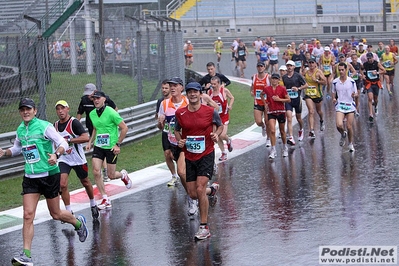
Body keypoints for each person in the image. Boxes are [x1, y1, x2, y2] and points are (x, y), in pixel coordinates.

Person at [0, 98, 88, 266]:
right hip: (30, 178)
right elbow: (18, 148)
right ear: (20, 112)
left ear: (35, 111)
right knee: (27, 215)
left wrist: (56, 155)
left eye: (28, 109)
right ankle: (26, 254)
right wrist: (5, 152)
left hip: (49, 176)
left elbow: (62, 141)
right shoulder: (20, 130)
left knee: (55, 214)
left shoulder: (44, 126)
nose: (25, 112)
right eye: (22, 110)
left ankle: (78, 223)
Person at [174, 82, 223, 240]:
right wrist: (180, 140)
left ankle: (204, 227)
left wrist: (216, 134)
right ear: (186, 95)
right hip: (190, 156)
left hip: (206, 154)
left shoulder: (210, 111)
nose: (193, 94)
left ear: (200, 94)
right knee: (193, 193)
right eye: (190, 92)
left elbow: (220, 126)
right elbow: (176, 130)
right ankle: (212, 190)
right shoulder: (180, 113)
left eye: (195, 92)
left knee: (200, 188)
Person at [157, 77, 198, 218]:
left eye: (175, 86)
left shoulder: (188, 101)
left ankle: (192, 199)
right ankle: (195, 192)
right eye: (170, 85)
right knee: (184, 173)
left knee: (182, 172)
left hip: (186, 142)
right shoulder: (164, 103)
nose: (172, 88)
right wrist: (160, 123)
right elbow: (161, 126)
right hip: (173, 141)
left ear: (181, 88)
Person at [86, 90, 132, 210]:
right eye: (94, 99)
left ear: (104, 99)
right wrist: (90, 141)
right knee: (96, 171)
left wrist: (117, 144)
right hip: (99, 146)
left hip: (111, 146)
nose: (96, 100)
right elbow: (96, 128)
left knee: (111, 175)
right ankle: (105, 198)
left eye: (98, 98)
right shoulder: (92, 114)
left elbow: (124, 128)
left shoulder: (111, 112)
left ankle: (123, 175)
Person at [54, 100, 100, 220]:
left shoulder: (73, 122)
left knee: (85, 181)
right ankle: (69, 212)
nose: (60, 111)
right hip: (64, 159)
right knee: (62, 184)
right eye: (58, 109)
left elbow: (85, 137)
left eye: (62, 108)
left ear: (68, 109)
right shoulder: (55, 125)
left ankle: (93, 203)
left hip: (77, 158)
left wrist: (69, 141)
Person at [76, 83, 118, 183]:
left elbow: (115, 109)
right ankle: (102, 172)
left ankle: (106, 171)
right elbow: (79, 114)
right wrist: (75, 127)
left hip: (106, 130)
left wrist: (111, 122)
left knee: (103, 149)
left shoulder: (104, 98)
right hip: (93, 128)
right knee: (98, 150)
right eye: (88, 95)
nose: (91, 97)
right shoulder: (84, 100)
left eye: (92, 94)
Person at [260, 73, 291, 159]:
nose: (274, 80)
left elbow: (288, 99)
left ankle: (285, 147)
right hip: (271, 112)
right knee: (272, 130)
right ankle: (273, 150)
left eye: (276, 79)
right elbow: (261, 94)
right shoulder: (267, 89)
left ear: (278, 80)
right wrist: (265, 103)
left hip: (281, 111)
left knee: (282, 131)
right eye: (273, 79)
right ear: (271, 80)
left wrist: (279, 99)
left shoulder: (282, 89)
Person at [155, 80, 179, 186]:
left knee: (177, 156)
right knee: (167, 154)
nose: (164, 90)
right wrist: (160, 122)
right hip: (166, 131)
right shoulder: (161, 102)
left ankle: (184, 172)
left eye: (166, 88)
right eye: (163, 88)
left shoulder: (177, 101)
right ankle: (174, 176)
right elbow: (159, 122)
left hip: (177, 132)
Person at [332, 63, 358, 152]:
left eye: (342, 70)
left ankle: (350, 144)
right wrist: (334, 98)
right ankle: (343, 133)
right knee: (339, 125)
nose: (341, 72)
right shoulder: (335, 82)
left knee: (349, 126)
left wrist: (354, 94)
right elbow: (333, 92)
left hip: (350, 105)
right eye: (339, 70)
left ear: (346, 70)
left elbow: (356, 93)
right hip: (340, 105)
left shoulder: (351, 81)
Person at [208, 76, 235, 161]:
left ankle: (228, 140)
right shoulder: (209, 92)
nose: (213, 86)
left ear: (219, 84)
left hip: (224, 116)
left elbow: (232, 97)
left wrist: (230, 105)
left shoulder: (224, 91)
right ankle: (223, 152)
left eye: (214, 84)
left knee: (222, 135)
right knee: (217, 136)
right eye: (211, 84)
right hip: (215, 118)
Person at [282, 60, 307, 145]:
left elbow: (306, 85)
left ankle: (301, 129)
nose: (289, 67)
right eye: (288, 66)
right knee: (289, 118)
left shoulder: (298, 76)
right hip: (288, 100)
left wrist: (298, 88)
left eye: (290, 66)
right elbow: (284, 86)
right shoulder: (284, 77)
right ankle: (291, 137)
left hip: (297, 99)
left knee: (298, 118)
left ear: (293, 67)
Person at [303, 58, 327, 138]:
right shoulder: (306, 71)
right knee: (311, 111)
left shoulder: (318, 72)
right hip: (308, 94)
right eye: (309, 63)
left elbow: (325, 82)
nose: (311, 64)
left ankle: (321, 120)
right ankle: (312, 130)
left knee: (319, 111)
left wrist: (316, 80)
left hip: (317, 94)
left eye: (312, 63)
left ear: (315, 64)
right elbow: (301, 79)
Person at [251, 61, 271, 146]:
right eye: (258, 66)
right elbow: (251, 88)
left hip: (267, 103)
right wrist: (252, 92)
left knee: (268, 121)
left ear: (264, 67)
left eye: (261, 66)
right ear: (257, 67)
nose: (260, 68)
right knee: (258, 122)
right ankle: (263, 126)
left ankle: (268, 139)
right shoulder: (254, 77)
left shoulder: (268, 77)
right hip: (257, 102)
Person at [362, 52, 386, 122]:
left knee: (375, 99)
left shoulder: (376, 63)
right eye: (368, 58)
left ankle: (375, 107)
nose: (369, 59)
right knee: (370, 98)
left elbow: (384, 70)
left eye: (370, 58)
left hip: (376, 83)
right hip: (369, 83)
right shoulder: (365, 64)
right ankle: (370, 114)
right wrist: (362, 75)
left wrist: (377, 73)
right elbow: (361, 69)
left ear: (373, 57)